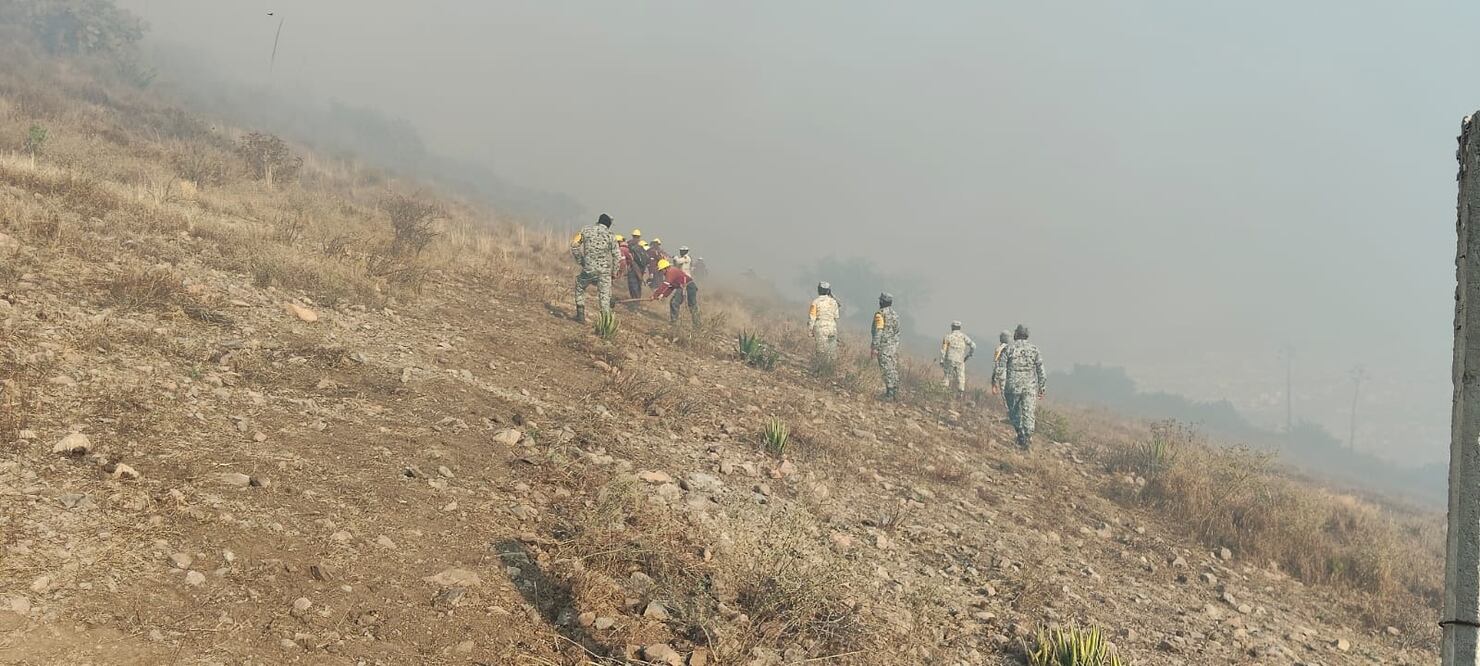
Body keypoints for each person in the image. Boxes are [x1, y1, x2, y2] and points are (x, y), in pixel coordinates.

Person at [993, 324, 1046, 449]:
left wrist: (997, 382)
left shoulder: (1009, 348)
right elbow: (1041, 371)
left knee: (1014, 412)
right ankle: (1027, 437)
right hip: (1029, 387)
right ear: (1027, 335)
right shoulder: (1034, 350)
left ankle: (1020, 434)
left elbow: (1000, 368)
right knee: (1029, 413)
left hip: (1012, 386)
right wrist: (1042, 387)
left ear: (1016, 334)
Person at [570, 213, 620, 324]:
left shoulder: (586, 230)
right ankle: (605, 324)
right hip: (604, 272)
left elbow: (574, 245)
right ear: (608, 224)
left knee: (580, 287)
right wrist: (614, 272)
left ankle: (580, 315)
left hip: (588, 269)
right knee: (605, 297)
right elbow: (617, 255)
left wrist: (581, 261)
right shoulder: (611, 236)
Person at [651, 258, 700, 327]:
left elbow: (665, 285)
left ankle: (697, 325)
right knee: (674, 302)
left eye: (661, 270)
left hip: (689, 286)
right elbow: (671, 287)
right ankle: (674, 322)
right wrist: (663, 295)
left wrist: (655, 295)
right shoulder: (670, 272)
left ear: (665, 268)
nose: (661, 272)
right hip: (682, 287)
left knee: (692, 305)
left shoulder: (671, 272)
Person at [870, 292, 901, 400]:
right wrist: (894, 345)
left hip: (883, 346)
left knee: (886, 369)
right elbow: (897, 332)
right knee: (892, 368)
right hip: (892, 347)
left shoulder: (880, 314)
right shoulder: (895, 315)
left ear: (881, 302)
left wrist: (875, 347)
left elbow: (879, 331)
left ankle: (890, 393)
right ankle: (895, 392)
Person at [939, 321, 977, 396]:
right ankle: (960, 394)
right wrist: (969, 355)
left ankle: (943, 393)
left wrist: (942, 360)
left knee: (947, 376)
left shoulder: (948, 337)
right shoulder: (964, 337)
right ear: (960, 328)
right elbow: (973, 346)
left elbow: (943, 349)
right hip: (960, 360)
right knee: (961, 376)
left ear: (952, 327)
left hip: (949, 359)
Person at [809, 282, 841, 362]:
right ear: (828, 291)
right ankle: (831, 367)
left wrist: (810, 330)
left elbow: (812, 318)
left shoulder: (815, 302)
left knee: (821, 351)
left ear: (818, 290)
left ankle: (823, 368)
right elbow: (836, 316)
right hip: (832, 328)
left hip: (820, 328)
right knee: (832, 352)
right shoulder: (833, 302)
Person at [625, 229, 648, 299]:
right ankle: (637, 299)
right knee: (637, 285)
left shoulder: (629, 244)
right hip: (639, 269)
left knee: (633, 285)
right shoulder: (641, 245)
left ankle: (635, 300)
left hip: (633, 268)